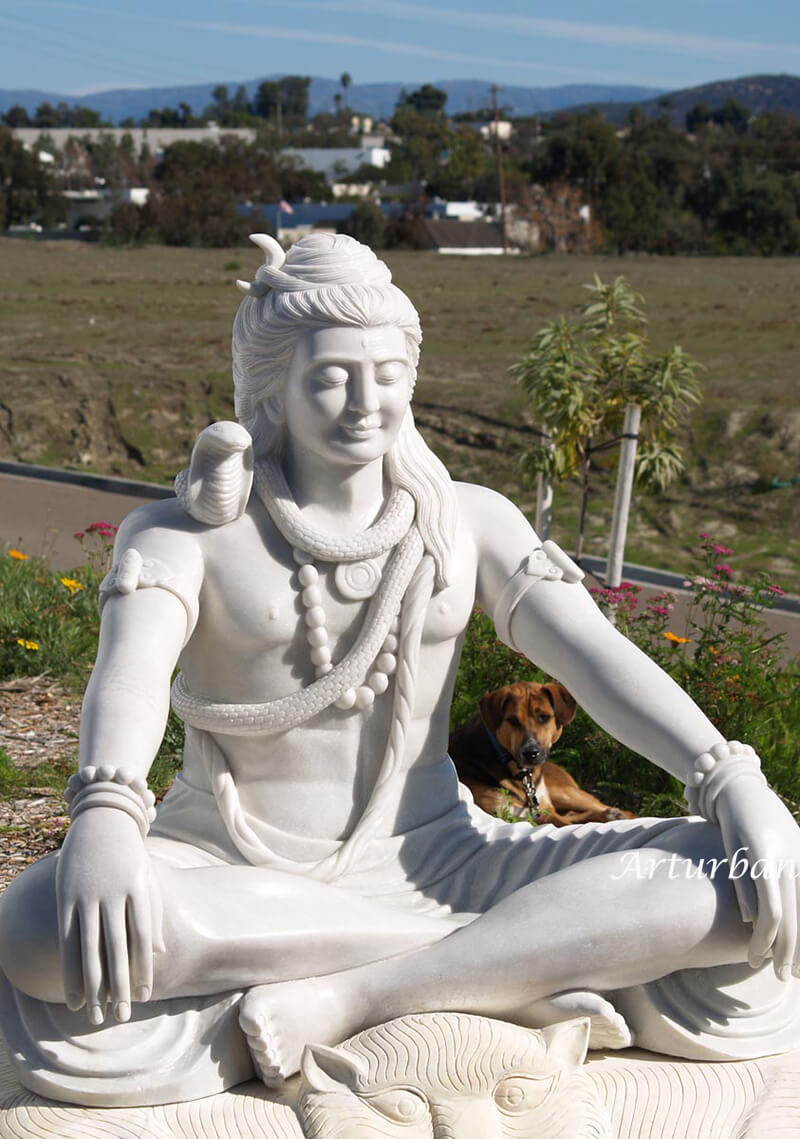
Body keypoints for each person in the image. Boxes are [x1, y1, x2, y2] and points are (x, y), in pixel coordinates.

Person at [1, 233, 799, 1107]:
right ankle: (507, 960)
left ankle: (367, 993)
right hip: (236, 874)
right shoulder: (183, 534)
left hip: (447, 860)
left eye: (387, 374)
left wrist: (729, 781)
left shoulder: (471, 521)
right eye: (332, 375)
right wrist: (108, 815)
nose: (364, 402)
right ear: (271, 385)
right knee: (38, 928)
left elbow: (600, 658)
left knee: (731, 874)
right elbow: (131, 675)